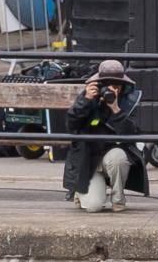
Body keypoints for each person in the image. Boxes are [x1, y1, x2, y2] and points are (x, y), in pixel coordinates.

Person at [62, 59, 149, 213]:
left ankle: (118, 199)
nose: (111, 89)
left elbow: (132, 135)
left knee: (119, 157)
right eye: (106, 84)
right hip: (88, 159)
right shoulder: (88, 97)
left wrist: (115, 108)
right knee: (94, 207)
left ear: (122, 86)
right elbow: (71, 126)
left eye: (116, 85)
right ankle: (79, 192)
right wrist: (86, 100)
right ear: (99, 83)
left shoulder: (130, 100)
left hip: (111, 155)